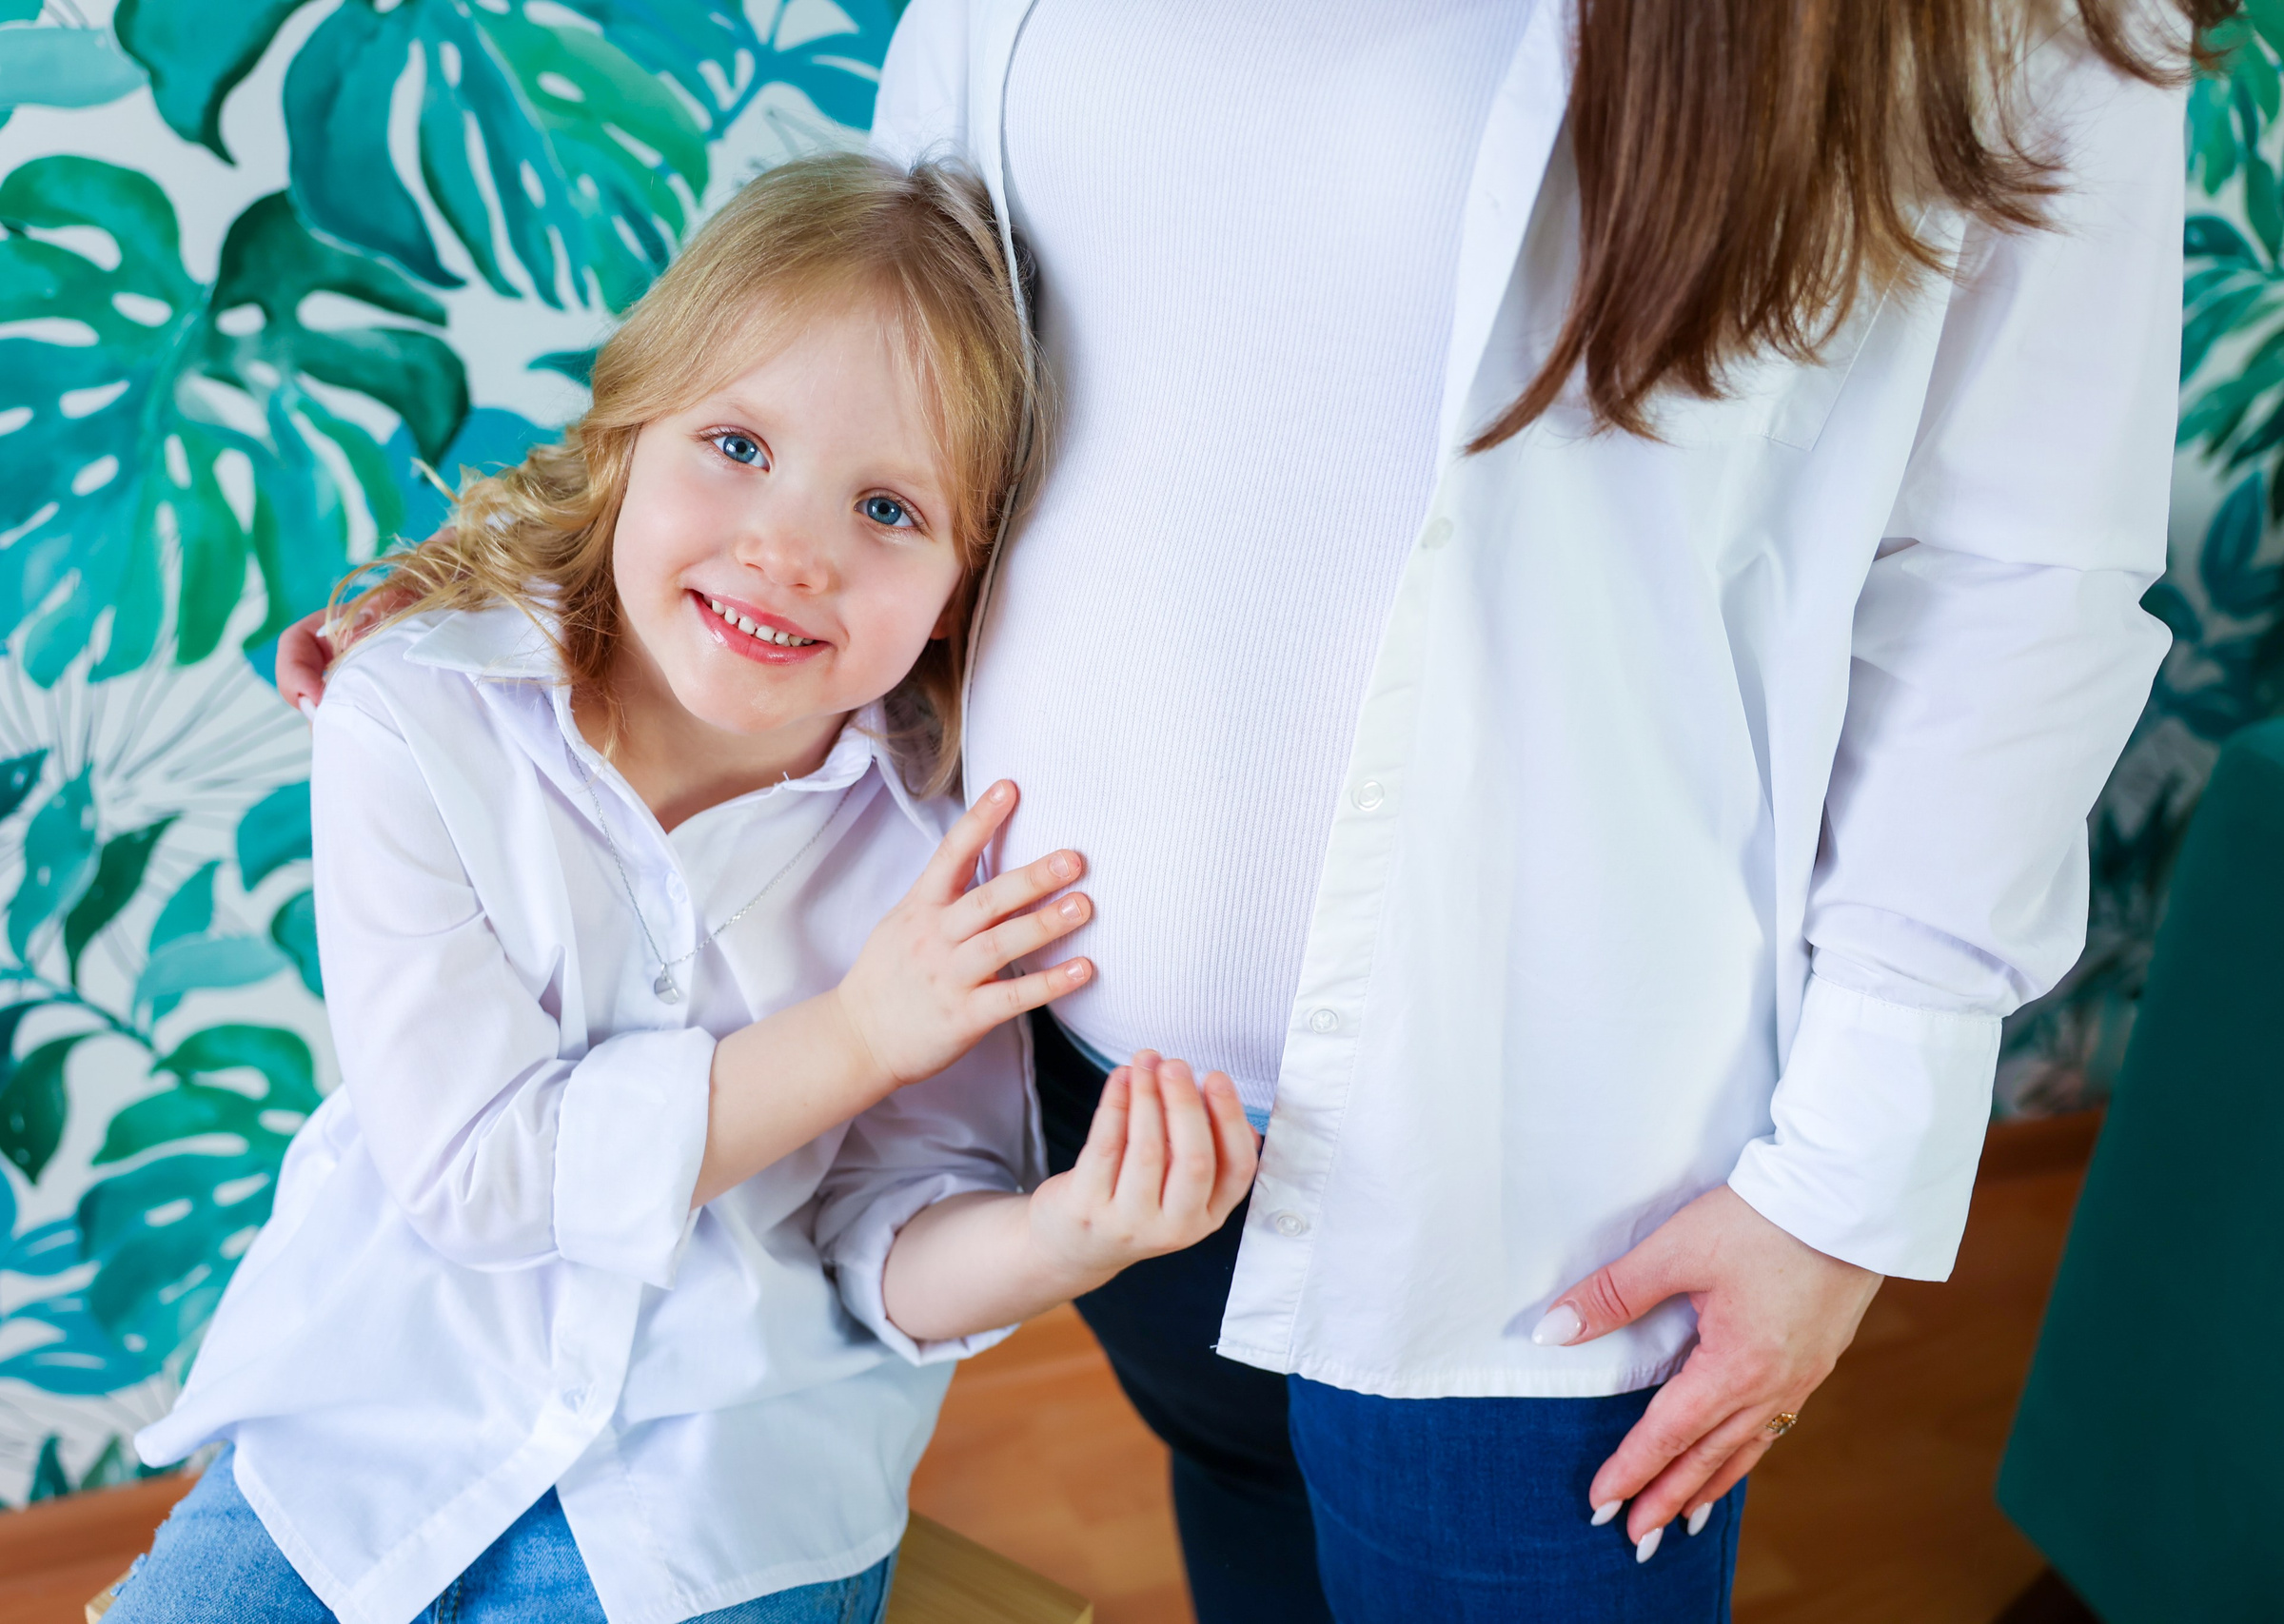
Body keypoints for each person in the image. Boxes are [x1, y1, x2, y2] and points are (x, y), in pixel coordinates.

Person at [283, 1, 2214, 1617]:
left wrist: (1843, 1179)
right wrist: (520, 570)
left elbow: (2010, 581)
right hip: (1096, 1091)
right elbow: (899, 330)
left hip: (1552, 1182)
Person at [115, 152, 1256, 1624]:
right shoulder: (414, 716)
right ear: (626, 435)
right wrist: (853, 1036)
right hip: (368, 1445)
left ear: (966, 585)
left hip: (724, 1510)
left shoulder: (942, 851)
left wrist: (1063, 1237)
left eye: (891, 511)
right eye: (735, 444)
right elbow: (480, 1171)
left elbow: (885, 1247)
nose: (791, 550)